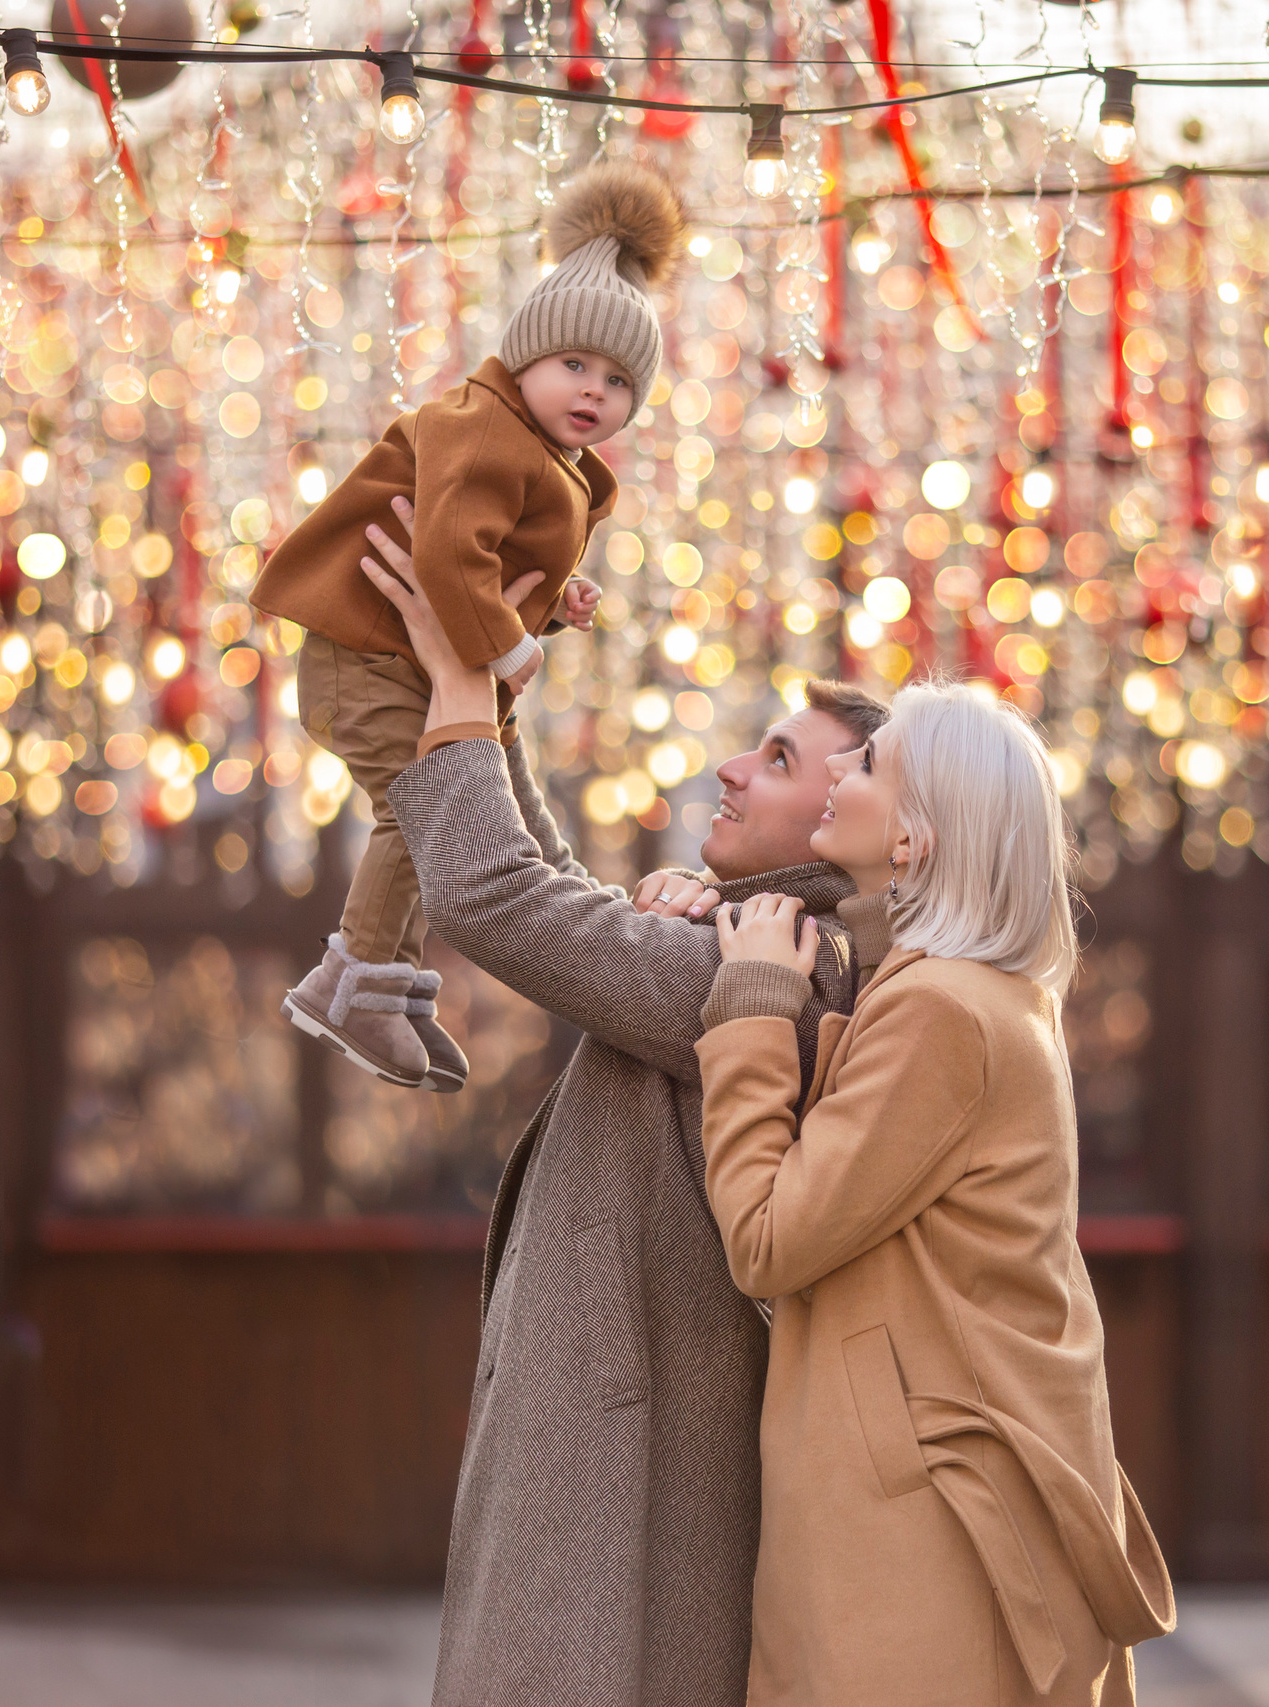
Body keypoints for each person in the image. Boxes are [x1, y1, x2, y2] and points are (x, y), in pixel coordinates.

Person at [350, 502, 890, 1707]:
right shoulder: (742, 944)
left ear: (857, 820)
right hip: (611, 1469)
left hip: (619, 1492)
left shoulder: (774, 972)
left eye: (780, 760)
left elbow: (497, 898)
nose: (730, 767)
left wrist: (451, 679)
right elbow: (556, 903)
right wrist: (483, 697)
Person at [695, 682, 1177, 1706]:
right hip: (923, 1519)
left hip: (919, 1539)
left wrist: (747, 1008)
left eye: (867, 766)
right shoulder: (960, 993)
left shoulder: (940, 1013)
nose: (836, 768)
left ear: (915, 838)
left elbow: (768, 1238)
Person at [256, 161, 686, 1092]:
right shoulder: (482, 425)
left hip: (402, 663)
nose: (593, 391)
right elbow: (450, 551)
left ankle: (378, 981)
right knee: (424, 809)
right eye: (573, 363)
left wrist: (549, 609)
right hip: (367, 661)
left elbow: (488, 562)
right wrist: (512, 644)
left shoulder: (541, 453)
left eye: (617, 380)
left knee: (436, 806)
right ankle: (359, 984)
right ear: (525, 356)